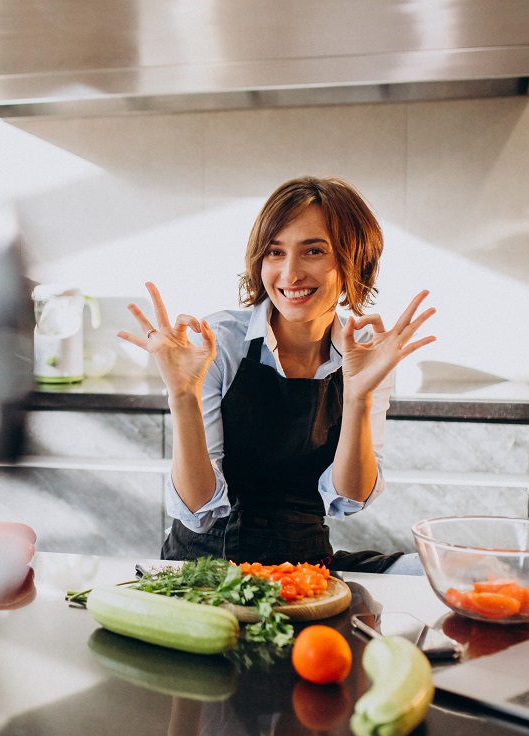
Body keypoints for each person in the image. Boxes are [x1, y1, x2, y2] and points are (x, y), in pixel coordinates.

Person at [119, 176, 435, 573]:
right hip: (204, 572)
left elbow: (349, 499)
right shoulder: (221, 342)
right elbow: (197, 509)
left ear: (355, 261)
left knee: (428, 570)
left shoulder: (365, 352)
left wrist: (358, 395)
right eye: (275, 253)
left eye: (314, 251)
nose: (290, 274)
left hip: (304, 572)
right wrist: (183, 396)